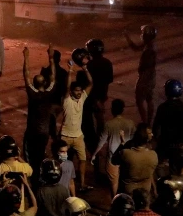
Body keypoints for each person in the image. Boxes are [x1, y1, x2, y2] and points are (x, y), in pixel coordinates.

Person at [60, 58, 94, 193]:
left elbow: (91, 83)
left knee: (83, 160)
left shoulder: (82, 98)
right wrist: (70, 71)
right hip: (65, 136)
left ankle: (82, 183)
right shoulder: (66, 100)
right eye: (77, 90)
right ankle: (63, 184)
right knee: (63, 161)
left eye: (80, 90)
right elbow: (67, 87)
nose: (79, 92)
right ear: (71, 91)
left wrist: (85, 69)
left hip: (78, 136)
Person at [91, 99, 136, 197]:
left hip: (112, 157)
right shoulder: (130, 123)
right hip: (127, 156)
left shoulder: (109, 124)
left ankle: (114, 200)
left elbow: (102, 141)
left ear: (112, 110)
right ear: (123, 110)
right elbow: (134, 139)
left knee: (114, 182)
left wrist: (94, 154)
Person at [23, 45, 56, 175]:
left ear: (34, 83)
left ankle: (32, 175)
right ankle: (40, 174)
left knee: (29, 156)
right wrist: (51, 57)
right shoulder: (49, 92)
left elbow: (26, 75)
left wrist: (26, 57)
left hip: (32, 132)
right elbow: (53, 76)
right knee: (40, 154)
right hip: (44, 132)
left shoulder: (32, 94)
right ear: (45, 83)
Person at [125, 25, 158, 124]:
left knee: (139, 100)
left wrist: (142, 78)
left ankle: (145, 122)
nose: (141, 35)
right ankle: (149, 122)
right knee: (149, 98)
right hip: (150, 76)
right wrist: (127, 37)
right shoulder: (149, 44)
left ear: (147, 35)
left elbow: (147, 65)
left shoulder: (149, 49)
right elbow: (135, 48)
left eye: (143, 33)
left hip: (145, 77)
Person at [114, 123, 158, 195]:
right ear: (143, 135)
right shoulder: (153, 153)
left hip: (130, 187)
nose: (152, 135)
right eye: (150, 133)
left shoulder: (128, 150)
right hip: (143, 188)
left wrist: (122, 144)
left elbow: (115, 160)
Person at [152, 79, 183, 159]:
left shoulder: (162, 107)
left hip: (165, 143)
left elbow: (156, 127)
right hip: (179, 144)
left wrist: (156, 139)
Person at [84, 39, 114, 140]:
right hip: (102, 94)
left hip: (92, 95)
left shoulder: (90, 65)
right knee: (100, 117)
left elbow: (87, 81)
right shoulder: (107, 62)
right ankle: (100, 137)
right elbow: (109, 80)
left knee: (88, 117)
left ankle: (93, 138)